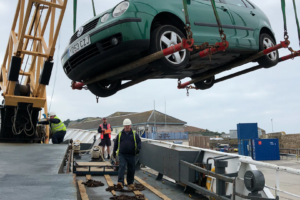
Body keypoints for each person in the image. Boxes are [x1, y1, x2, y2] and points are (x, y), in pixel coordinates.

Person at [113, 118, 141, 190]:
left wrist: (138, 148)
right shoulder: (120, 134)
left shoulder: (134, 134)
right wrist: (114, 152)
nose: (127, 127)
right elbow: (116, 144)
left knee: (131, 169)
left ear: (130, 125)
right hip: (122, 154)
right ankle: (120, 183)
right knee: (122, 167)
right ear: (124, 126)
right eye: (125, 126)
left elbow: (139, 142)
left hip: (131, 154)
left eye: (128, 125)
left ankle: (130, 183)